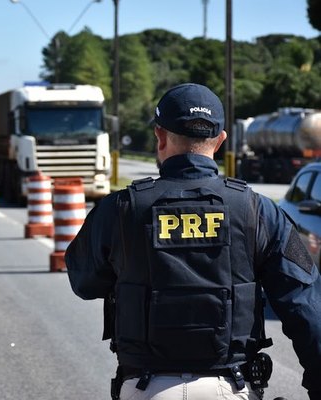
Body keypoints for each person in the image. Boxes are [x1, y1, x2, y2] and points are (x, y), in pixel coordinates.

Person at [65, 83, 321, 400]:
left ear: (159, 136)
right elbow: (307, 308)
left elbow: (83, 282)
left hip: (146, 387)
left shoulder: (120, 209)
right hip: (232, 387)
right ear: (221, 141)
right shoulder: (258, 211)